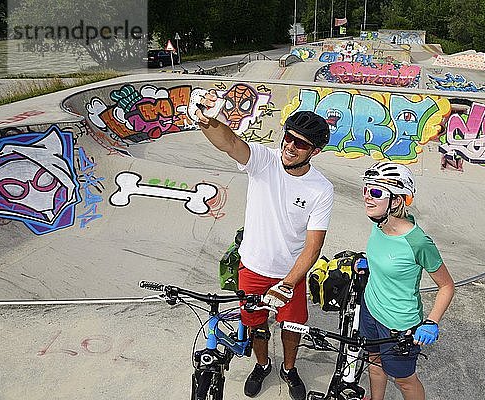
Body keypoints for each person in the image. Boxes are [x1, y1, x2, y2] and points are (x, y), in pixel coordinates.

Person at [190, 91, 334, 400]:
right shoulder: (264, 161)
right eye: (288, 138)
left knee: (292, 328)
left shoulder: (321, 189)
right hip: (252, 268)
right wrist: (206, 121)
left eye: (301, 144)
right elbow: (231, 143)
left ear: (316, 151)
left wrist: (288, 284)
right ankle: (263, 364)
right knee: (256, 326)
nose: (290, 147)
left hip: (290, 274)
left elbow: (312, 247)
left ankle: (289, 369)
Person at [358, 162, 455, 400]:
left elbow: (447, 286)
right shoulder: (379, 224)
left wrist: (431, 322)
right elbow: (388, 257)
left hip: (398, 324)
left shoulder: (418, 242)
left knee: (404, 381)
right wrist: (371, 263)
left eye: (377, 192)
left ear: (397, 201)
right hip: (371, 309)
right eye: (366, 190)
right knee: (374, 361)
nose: (368, 198)